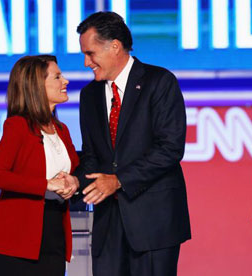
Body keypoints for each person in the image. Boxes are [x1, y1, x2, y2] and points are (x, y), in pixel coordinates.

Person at [74, 11, 191, 276]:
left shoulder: (159, 81)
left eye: (90, 53)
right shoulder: (89, 95)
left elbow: (170, 147)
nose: (85, 62)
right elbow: (92, 155)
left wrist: (118, 180)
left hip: (153, 222)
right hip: (108, 224)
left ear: (115, 46)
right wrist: (77, 181)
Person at [0, 55, 80, 276]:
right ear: (37, 86)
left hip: (53, 236)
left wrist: (74, 181)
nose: (65, 81)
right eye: (57, 77)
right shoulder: (17, 126)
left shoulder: (61, 129)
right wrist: (46, 184)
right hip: (15, 241)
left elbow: (75, 169)